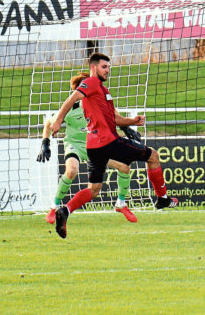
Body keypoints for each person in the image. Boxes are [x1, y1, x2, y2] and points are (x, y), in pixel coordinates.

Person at [50, 52, 178, 239]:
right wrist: (58, 121)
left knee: (94, 189)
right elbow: (71, 98)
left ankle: (65, 210)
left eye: (109, 67)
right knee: (153, 156)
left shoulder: (101, 92)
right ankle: (162, 198)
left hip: (94, 147)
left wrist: (132, 121)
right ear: (93, 68)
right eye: (104, 67)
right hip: (108, 142)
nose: (107, 70)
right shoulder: (92, 83)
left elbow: (116, 119)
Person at [37, 74, 141, 224]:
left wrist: (126, 129)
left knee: (125, 166)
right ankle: (54, 207)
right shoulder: (70, 108)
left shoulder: (100, 102)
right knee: (71, 171)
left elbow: (114, 116)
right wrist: (45, 143)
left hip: (97, 145)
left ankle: (121, 203)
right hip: (76, 145)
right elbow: (48, 123)